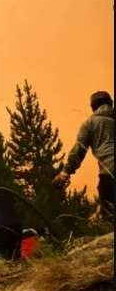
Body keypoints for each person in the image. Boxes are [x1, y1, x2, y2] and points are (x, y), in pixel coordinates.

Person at [53, 90, 114, 221]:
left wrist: (65, 172)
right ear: (111, 103)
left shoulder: (90, 123)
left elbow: (79, 150)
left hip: (109, 174)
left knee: (110, 215)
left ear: (93, 106)